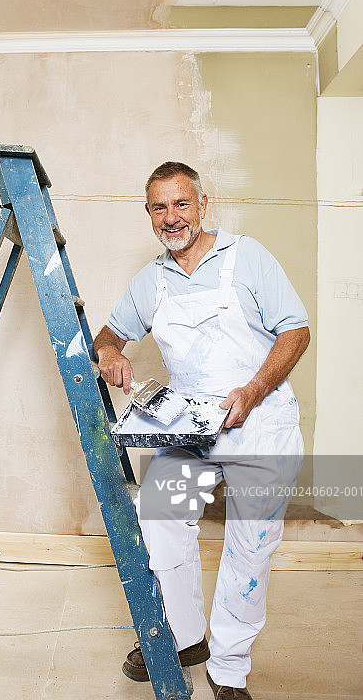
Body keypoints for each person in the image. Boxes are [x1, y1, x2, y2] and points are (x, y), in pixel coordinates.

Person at [93, 162, 310, 700]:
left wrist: (253, 391)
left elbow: (297, 332)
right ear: (149, 215)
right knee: (159, 517)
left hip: (261, 426)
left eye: (181, 204)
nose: (172, 217)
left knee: (249, 550)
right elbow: (108, 335)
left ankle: (229, 670)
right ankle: (185, 637)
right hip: (192, 428)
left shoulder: (247, 257)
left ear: (202, 204)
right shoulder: (151, 281)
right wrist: (109, 353)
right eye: (159, 208)